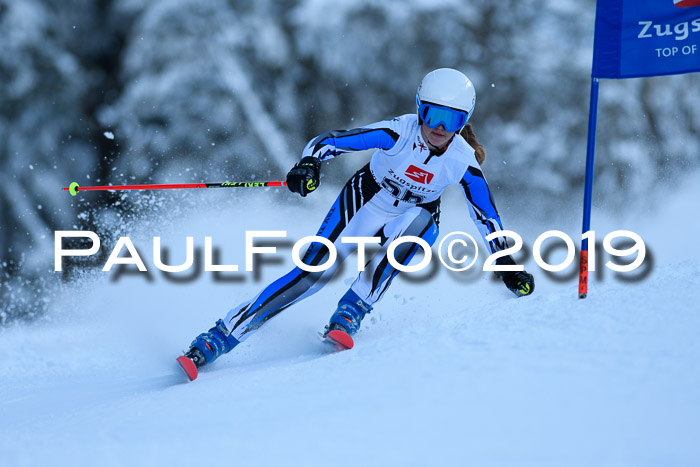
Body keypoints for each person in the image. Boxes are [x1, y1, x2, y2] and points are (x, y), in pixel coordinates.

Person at [177, 68, 535, 378]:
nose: (439, 127)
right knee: (311, 275)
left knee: (423, 226)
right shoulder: (399, 132)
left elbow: (486, 214)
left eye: (452, 119)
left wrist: (506, 263)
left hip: (411, 215)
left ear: (464, 121)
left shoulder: (463, 159)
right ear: (419, 109)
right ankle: (219, 337)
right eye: (433, 114)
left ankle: (351, 310)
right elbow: (331, 141)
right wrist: (309, 164)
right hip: (367, 201)